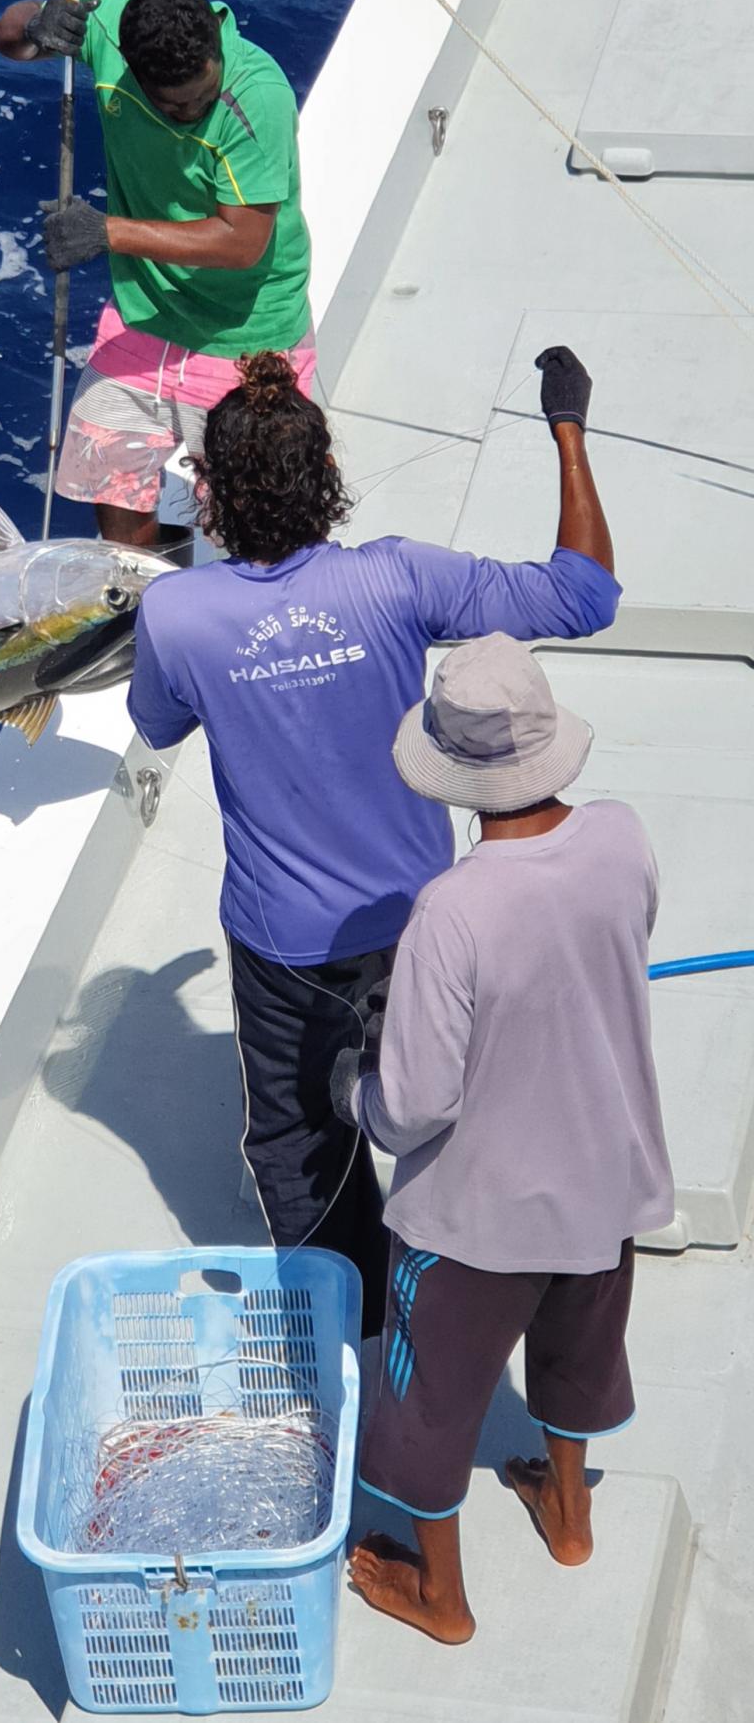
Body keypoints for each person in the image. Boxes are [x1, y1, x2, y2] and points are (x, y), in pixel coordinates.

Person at [126, 344, 618, 1336]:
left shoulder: (174, 612)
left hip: (285, 954)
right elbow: (584, 595)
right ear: (330, 481)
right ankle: (467, 1303)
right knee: (449, 1112)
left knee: (300, 1139)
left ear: (209, 494)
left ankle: (347, 1335)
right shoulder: (397, 580)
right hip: (423, 925)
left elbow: (161, 722)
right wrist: (567, 426)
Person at [334, 632, 673, 1643]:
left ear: (451, 773)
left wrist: (354, 1088)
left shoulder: (450, 911)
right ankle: (568, 1515)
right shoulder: (622, 835)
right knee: (574, 1355)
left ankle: (441, 1598)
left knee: (427, 1406)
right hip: (607, 1184)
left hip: (473, 1223)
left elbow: (420, 1106)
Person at [0, 0, 314, 549]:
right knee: (114, 490)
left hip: (247, 334)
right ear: (133, 69)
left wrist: (105, 231)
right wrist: (37, 23)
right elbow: (8, 37)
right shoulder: (109, 30)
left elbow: (242, 243)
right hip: (144, 318)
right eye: (174, 104)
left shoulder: (257, 96)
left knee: (262, 526)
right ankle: (148, 614)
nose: (191, 111)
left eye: (201, 95)